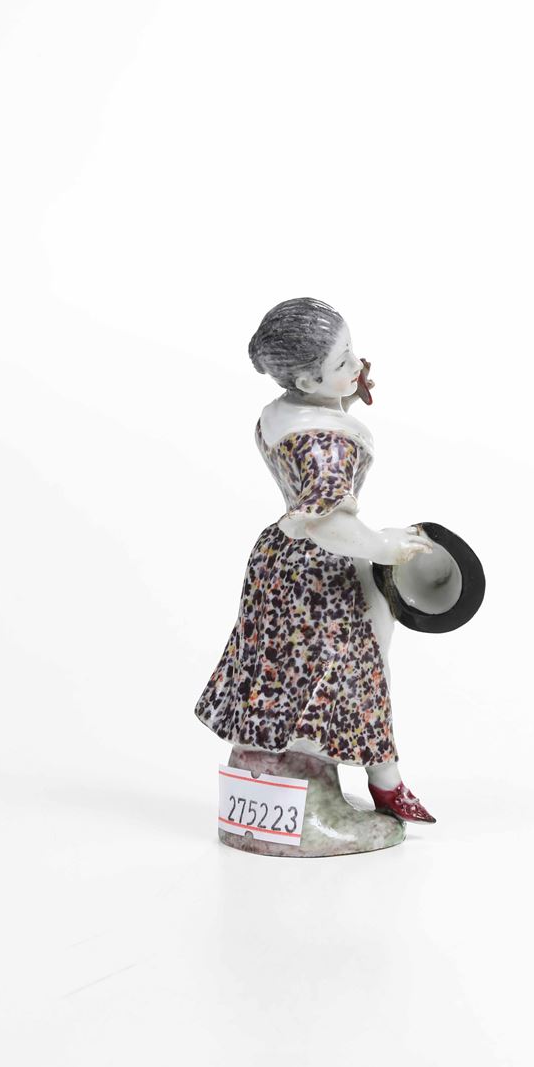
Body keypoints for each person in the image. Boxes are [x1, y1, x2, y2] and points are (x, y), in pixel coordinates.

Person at [194, 297, 437, 822]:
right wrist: (386, 547)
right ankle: (384, 783)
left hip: (279, 559)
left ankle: (275, 760)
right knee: (358, 672)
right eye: (343, 362)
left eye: (352, 350)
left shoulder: (280, 412)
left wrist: (341, 393)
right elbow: (327, 522)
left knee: (279, 667)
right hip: (320, 571)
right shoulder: (326, 443)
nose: (358, 364)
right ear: (306, 381)